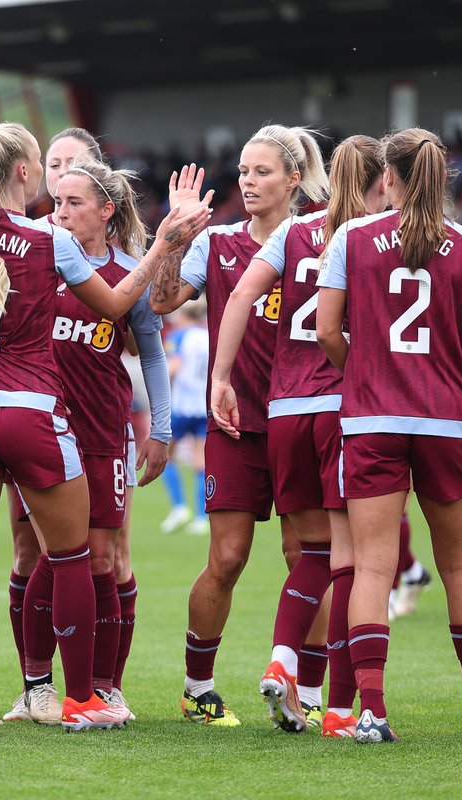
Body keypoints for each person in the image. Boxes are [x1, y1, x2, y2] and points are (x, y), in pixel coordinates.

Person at [0, 117, 210, 737]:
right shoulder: (45, 240)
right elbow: (115, 303)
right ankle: (82, 699)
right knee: (76, 557)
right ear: (24, 174)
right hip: (31, 413)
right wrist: (163, 244)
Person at [315, 127, 462, 743]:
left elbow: (327, 332)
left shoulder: (351, 236)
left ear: (389, 179)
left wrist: (369, 376)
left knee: (373, 568)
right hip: (447, 422)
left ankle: (371, 712)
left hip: (373, 421)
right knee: (460, 563)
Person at [150, 126, 329, 728]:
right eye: (243, 172)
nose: (247, 183)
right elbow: (160, 299)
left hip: (304, 421)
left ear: (294, 178)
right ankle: (197, 687)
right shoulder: (219, 243)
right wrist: (173, 234)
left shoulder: (327, 237)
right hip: (236, 427)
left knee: (308, 555)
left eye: (262, 172)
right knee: (227, 558)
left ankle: (308, 689)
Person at [209, 134, 386, 737]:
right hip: (344, 409)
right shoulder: (377, 238)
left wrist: (220, 377)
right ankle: (337, 705)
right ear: (381, 182)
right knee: (350, 562)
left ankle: (286, 664)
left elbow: (238, 296)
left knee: (310, 552)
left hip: (283, 411)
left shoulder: (294, 232)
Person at [8, 157, 172, 724]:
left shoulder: (129, 273)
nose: (61, 213)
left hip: (105, 434)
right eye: (57, 202)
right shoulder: (37, 262)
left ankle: (104, 687)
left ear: (107, 211)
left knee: (99, 557)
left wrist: (163, 427)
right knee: (53, 555)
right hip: (43, 432)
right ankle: (35, 687)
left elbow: (150, 352)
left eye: (74, 203)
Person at [159, 301, 210, 535]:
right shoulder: (209, 336)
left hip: (181, 407)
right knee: (201, 461)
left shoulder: (179, 336)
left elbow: (173, 367)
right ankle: (201, 517)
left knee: (164, 454)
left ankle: (179, 507)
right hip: (204, 406)